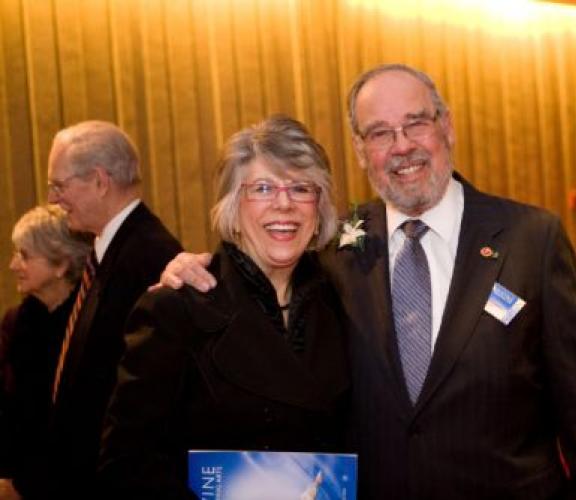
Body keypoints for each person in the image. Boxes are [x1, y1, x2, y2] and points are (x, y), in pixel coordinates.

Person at [162, 64, 576, 499]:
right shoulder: (330, 250)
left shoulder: (533, 239)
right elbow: (260, 298)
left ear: (446, 125)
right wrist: (192, 272)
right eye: (380, 133)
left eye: (416, 123)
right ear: (360, 150)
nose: (402, 145)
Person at [98, 116, 350, 499]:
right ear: (232, 208)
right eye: (262, 188)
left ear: (319, 211)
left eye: (301, 188)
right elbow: (126, 467)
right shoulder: (174, 309)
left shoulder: (346, 305)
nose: (284, 204)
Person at [45, 120, 182, 496]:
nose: (53, 200)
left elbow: (144, 399)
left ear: (99, 181)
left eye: (59, 186)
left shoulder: (151, 257)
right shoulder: (112, 251)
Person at [0, 205, 91, 499]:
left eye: (24, 256)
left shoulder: (88, 325)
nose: (13, 265)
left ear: (61, 265)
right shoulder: (16, 323)